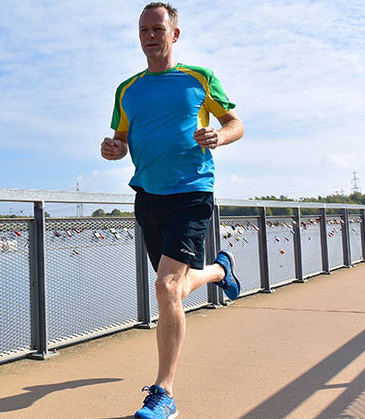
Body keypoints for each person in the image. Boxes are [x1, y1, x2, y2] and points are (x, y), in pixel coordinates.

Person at [100, 3, 244, 418]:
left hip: (192, 191)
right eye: (144, 29)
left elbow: (236, 123)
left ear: (174, 35)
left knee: (166, 289)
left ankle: (164, 393)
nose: (150, 35)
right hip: (148, 196)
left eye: (158, 28)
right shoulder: (127, 89)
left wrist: (218, 135)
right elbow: (121, 139)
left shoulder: (199, 78)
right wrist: (114, 149)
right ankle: (219, 271)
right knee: (175, 290)